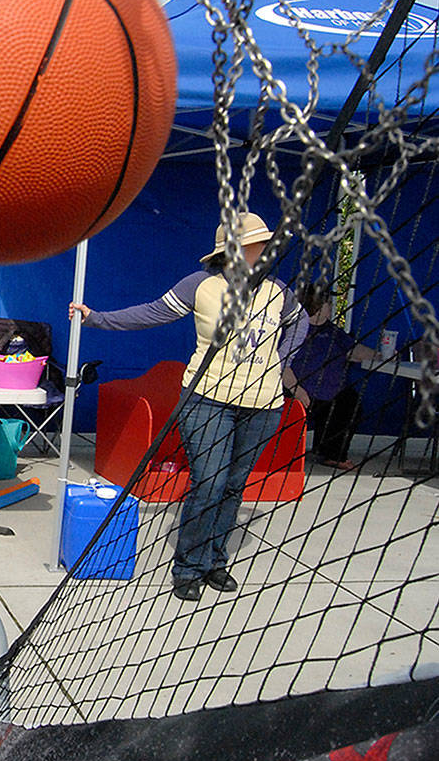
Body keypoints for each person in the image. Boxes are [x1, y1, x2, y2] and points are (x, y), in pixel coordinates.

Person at [70, 212, 308, 601]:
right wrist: (95, 318)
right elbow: (150, 313)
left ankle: (215, 560)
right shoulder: (200, 286)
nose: (264, 250)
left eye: (265, 244)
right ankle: (189, 566)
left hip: (263, 405)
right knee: (210, 481)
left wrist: (281, 363)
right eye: (256, 245)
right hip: (206, 400)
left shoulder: (278, 290)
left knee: (234, 484)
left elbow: (299, 325)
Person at [289, 283, 379, 471]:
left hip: (331, 393)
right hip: (300, 392)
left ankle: (331, 454)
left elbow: (353, 351)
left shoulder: (333, 331)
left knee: (349, 403)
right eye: (328, 303)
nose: (331, 306)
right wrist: (297, 390)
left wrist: (378, 355)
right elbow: (281, 363)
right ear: (316, 305)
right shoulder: (295, 329)